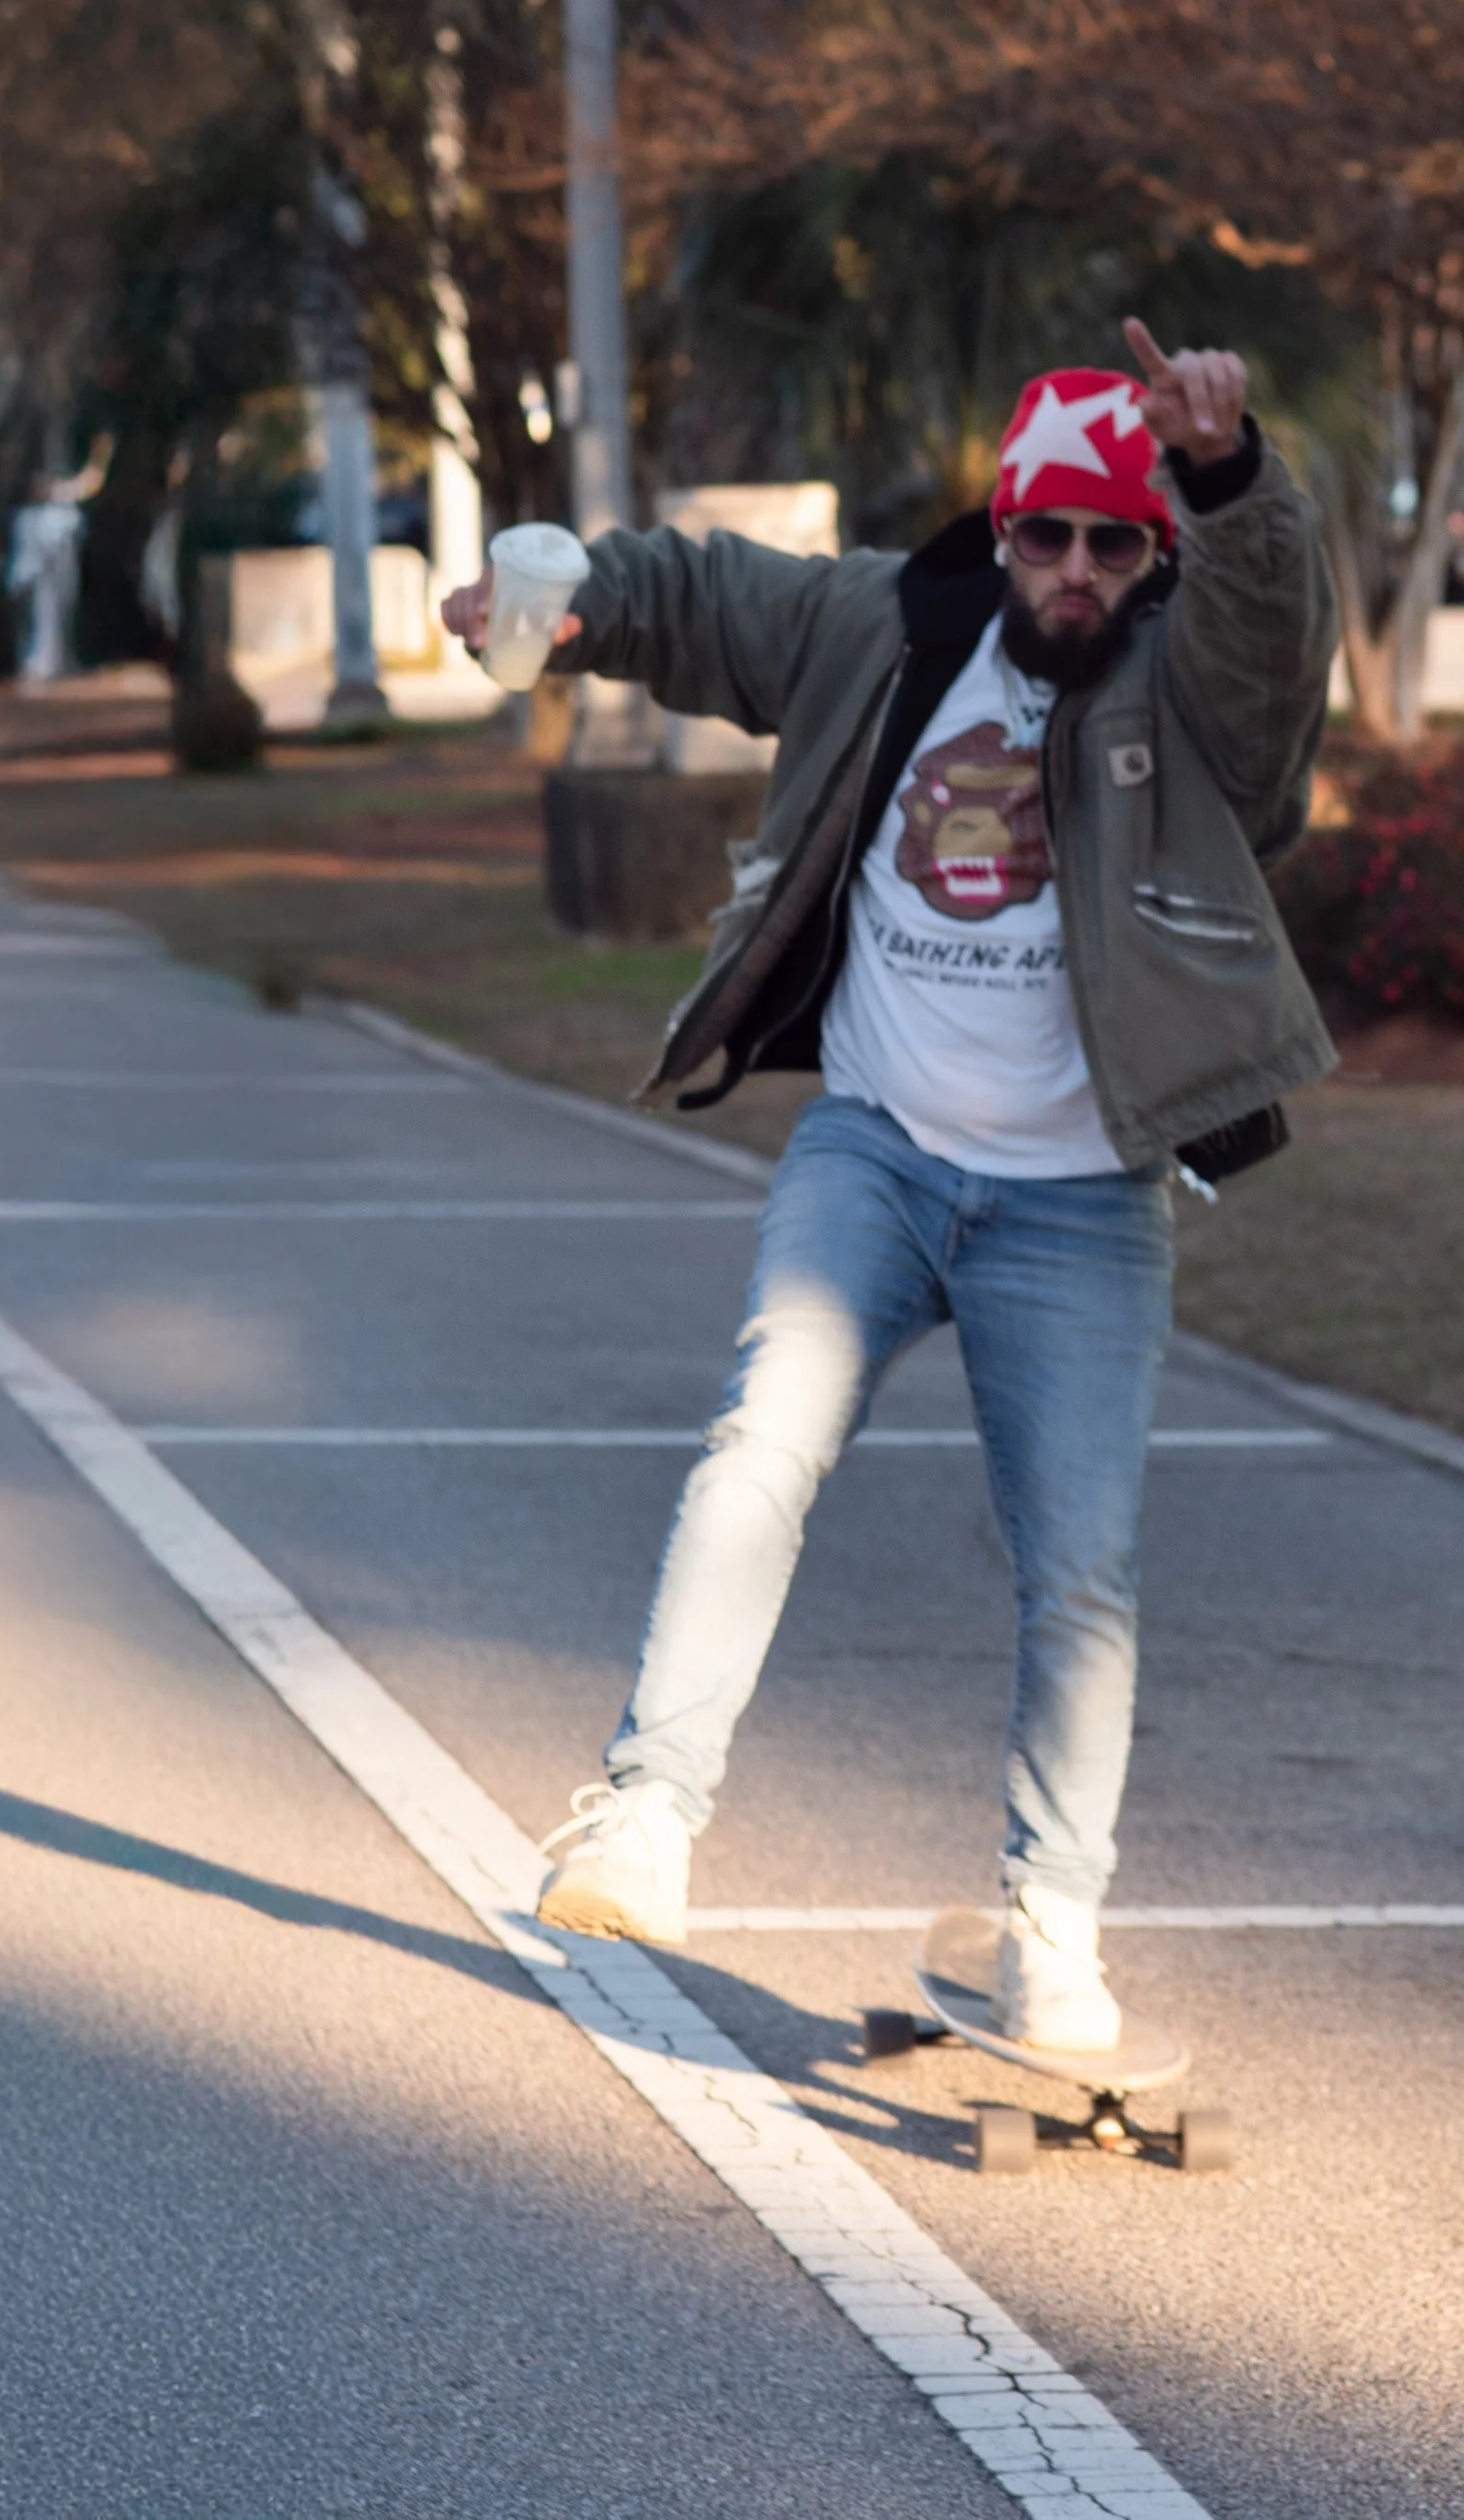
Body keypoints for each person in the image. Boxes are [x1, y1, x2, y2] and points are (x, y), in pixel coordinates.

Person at [441, 321, 1336, 2048]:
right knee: (759, 1444)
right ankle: (647, 1811)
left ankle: (1049, 1924)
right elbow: (703, 597)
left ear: (1150, 559)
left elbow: (1273, 644)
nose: (1075, 573)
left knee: (1080, 1568)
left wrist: (1229, 480)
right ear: (1001, 530)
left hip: (1082, 1198)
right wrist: (551, 606)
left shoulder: (1183, 688)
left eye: (1115, 542)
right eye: (1047, 534)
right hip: (876, 1146)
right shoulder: (888, 629)